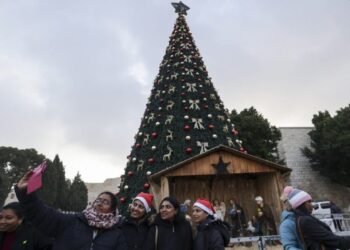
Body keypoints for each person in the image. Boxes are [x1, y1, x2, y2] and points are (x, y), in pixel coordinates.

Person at [15, 171, 127, 250]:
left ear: (112, 210)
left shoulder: (117, 234)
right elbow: (42, 214)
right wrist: (25, 193)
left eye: (106, 202)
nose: (100, 204)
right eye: (98, 200)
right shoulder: (72, 221)